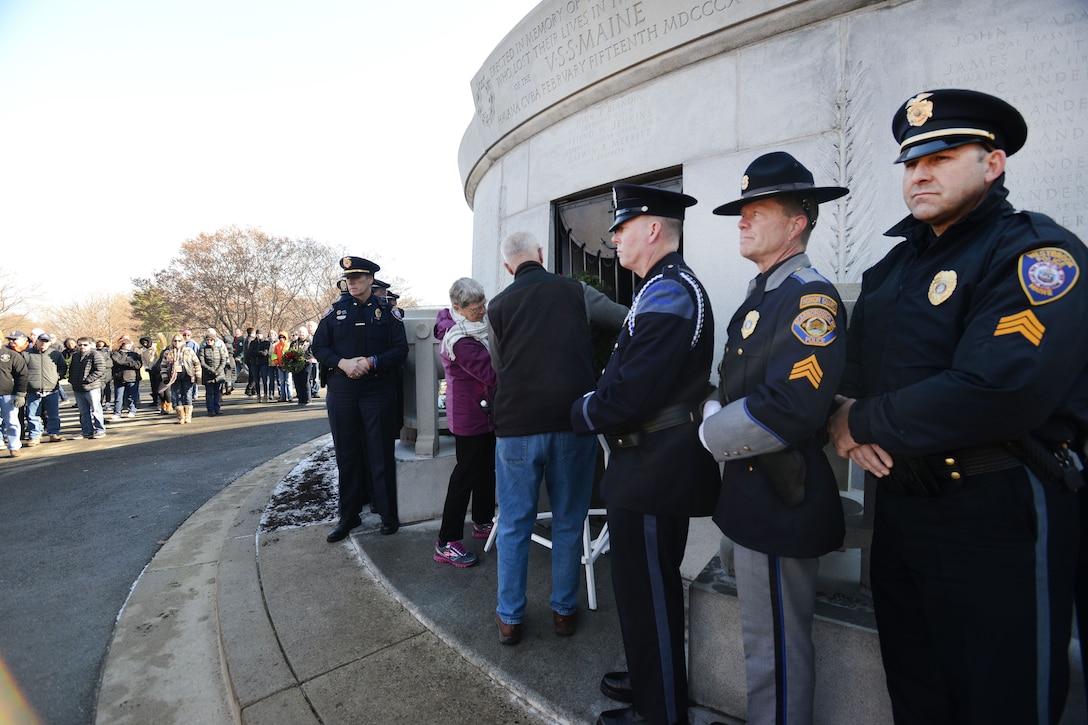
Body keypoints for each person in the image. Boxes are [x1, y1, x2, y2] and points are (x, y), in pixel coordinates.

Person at [827, 89, 1088, 725]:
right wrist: (840, 410)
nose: (920, 173)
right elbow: (850, 370)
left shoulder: (1035, 254)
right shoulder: (894, 268)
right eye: (911, 163)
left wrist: (854, 422)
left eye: (941, 158)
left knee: (1003, 700)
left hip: (997, 508)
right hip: (904, 508)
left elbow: (997, 390)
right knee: (918, 692)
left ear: (992, 164)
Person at [697, 154, 848, 725]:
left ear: (797, 221)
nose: (741, 221)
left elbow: (791, 407)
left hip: (782, 502)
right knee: (763, 645)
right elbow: (737, 383)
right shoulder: (762, 294)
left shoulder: (810, 298)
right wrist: (716, 404)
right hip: (752, 498)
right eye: (741, 212)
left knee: (777, 651)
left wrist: (711, 429)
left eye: (756, 211)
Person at [568, 185, 719, 725]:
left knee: (649, 592)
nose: (613, 236)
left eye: (623, 226)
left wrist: (581, 411)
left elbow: (630, 394)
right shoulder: (662, 286)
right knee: (636, 589)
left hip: (657, 464)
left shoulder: (670, 291)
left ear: (653, 229)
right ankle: (649, 678)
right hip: (648, 462)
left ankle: (661, 712)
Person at [488, 230, 628, 646]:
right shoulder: (576, 290)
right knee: (570, 521)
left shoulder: (497, 306)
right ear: (542, 255)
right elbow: (629, 318)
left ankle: (510, 618)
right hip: (571, 423)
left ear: (508, 266)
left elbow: (499, 364)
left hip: (515, 428)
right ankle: (564, 613)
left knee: (514, 524)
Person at [312, 256, 408, 540]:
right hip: (342, 391)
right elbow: (319, 347)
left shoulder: (386, 312)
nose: (352, 283)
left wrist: (371, 362)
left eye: (357, 278)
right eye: (348, 279)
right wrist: (341, 363)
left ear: (370, 280)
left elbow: (400, 350)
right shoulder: (335, 313)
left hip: (376, 390)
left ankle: (387, 514)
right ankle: (348, 515)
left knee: (380, 453)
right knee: (347, 453)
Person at [432, 278, 496, 569]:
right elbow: (491, 373)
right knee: (465, 476)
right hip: (469, 415)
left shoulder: (475, 328)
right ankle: (446, 542)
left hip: (484, 412)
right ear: (458, 308)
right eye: (474, 309)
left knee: (485, 470)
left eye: (483, 305)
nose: (482, 312)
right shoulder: (460, 339)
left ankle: (482, 522)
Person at [24, 333, 67, 445]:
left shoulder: (55, 354)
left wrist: (57, 377)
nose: (43, 343)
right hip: (33, 390)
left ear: (49, 342)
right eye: (41, 341)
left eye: (46, 341)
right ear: (36, 341)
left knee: (53, 414)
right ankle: (34, 436)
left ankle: (54, 433)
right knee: (33, 415)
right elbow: (21, 371)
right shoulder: (26, 354)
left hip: (51, 389)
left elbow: (63, 367)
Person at [69, 336, 108, 439]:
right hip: (78, 388)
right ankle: (86, 431)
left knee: (96, 410)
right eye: (80, 344)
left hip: (92, 388)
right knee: (83, 412)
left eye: (85, 345)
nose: (82, 346)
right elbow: (72, 369)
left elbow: (100, 369)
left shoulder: (95, 354)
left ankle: (100, 430)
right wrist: (72, 381)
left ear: (91, 345)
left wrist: (88, 379)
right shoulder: (75, 356)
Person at [159, 333, 202, 424]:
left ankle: (187, 416)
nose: (177, 342)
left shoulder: (188, 350)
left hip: (187, 375)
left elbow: (197, 363)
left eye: (179, 340)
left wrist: (198, 376)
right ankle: (181, 416)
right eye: (175, 341)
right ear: (172, 342)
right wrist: (165, 377)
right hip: (174, 377)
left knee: (188, 395)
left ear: (182, 341)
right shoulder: (168, 352)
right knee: (177, 396)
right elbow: (163, 366)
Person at [1, 331, 30, 456]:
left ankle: (14, 446)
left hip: (9, 394)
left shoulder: (11, 355)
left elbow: (22, 375)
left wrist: (20, 393)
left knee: (12, 421)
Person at [110, 336, 142, 420]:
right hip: (119, 378)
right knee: (118, 397)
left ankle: (132, 410)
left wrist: (126, 363)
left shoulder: (135, 354)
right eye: (126, 344)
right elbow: (117, 362)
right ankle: (117, 412)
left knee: (132, 396)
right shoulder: (115, 353)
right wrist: (129, 363)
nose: (128, 346)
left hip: (132, 377)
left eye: (129, 344)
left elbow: (138, 364)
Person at [199, 328, 230, 416]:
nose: (209, 341)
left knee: (217, 392)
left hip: (219, 374)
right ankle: (210, 410)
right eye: (208, 340)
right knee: (209, 393)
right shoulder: (203, 349)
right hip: (208, 375)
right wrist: (211, 370)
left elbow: (223, 360)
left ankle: (217, 408)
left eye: (211, 340)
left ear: (214, 340)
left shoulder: (219, 348)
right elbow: (202, 362)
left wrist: (219, 370)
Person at [288, 326, 313, 406]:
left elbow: (311, 352)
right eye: (300, 332)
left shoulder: (309, 342)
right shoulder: (294, 343)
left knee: (305, 381)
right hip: (296, 364)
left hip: (306, 364)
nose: (301, 334)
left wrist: (306, 358)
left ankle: (307, 398)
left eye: (303, 332)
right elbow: (290, 352)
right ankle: (301, 399)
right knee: (297, 381)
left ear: (306, 333)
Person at [246, 329, 271, 402]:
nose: (258, 335)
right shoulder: (252, 343)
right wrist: (258, 353)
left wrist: (256, 352)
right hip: (254, 364)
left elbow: (265, 353)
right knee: (256, 380)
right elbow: (250, 353)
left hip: (263, 363)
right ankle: (258, 395)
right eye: (257, 334)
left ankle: (266, 394)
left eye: (260, 334)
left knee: (264, 380)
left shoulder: (266, 343)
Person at [272, 332, 292, 402]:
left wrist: (290, 363)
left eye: (283, 337)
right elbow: (274, 355)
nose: (281, 339)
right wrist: (276, 362)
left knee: (288, 381)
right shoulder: (277, 346)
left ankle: (290, 396)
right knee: (282, 382)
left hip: (288, 366)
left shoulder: (288, 345)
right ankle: (283, 396)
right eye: (280, 337)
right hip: (280, 366)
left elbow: (292, 354)